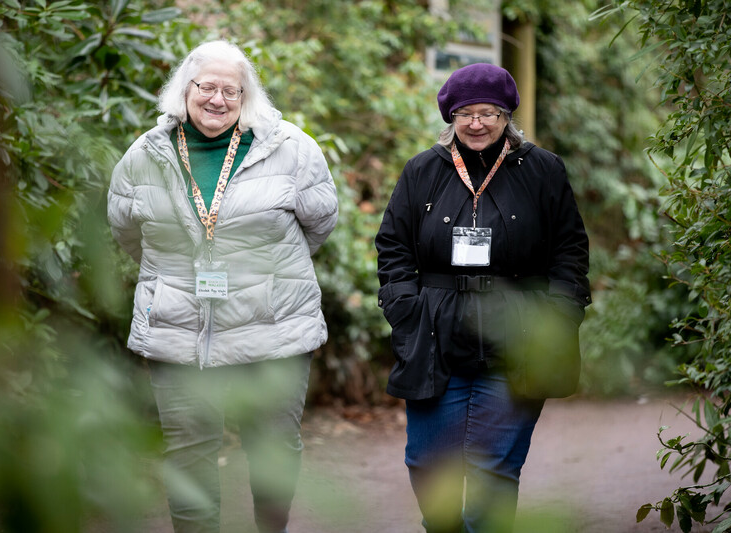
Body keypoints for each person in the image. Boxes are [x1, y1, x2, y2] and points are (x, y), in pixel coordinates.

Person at [107, 40, 338, 533]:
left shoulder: (291, 148)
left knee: (274, 450)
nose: (216, 98)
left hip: (272, 330)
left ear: (246, 95)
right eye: (205, 86)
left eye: (229, 90)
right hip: (180, 331)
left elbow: (319, 224)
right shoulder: (145, 155)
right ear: (184, 90)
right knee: (188, 457)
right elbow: (129, 233)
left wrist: (264, 276)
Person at [374, 63, 590, 533]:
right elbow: (392, 244)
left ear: (506, 116)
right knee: (429, 466)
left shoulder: (543, 170)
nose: (477, 123)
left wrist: (561, 314)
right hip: (434, 332)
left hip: (520, 332)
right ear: (450, 116)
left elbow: (570, 250)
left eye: (489, 113)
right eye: (466, 113)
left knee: (493, 471)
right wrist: (402, 307)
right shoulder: (423, 170)